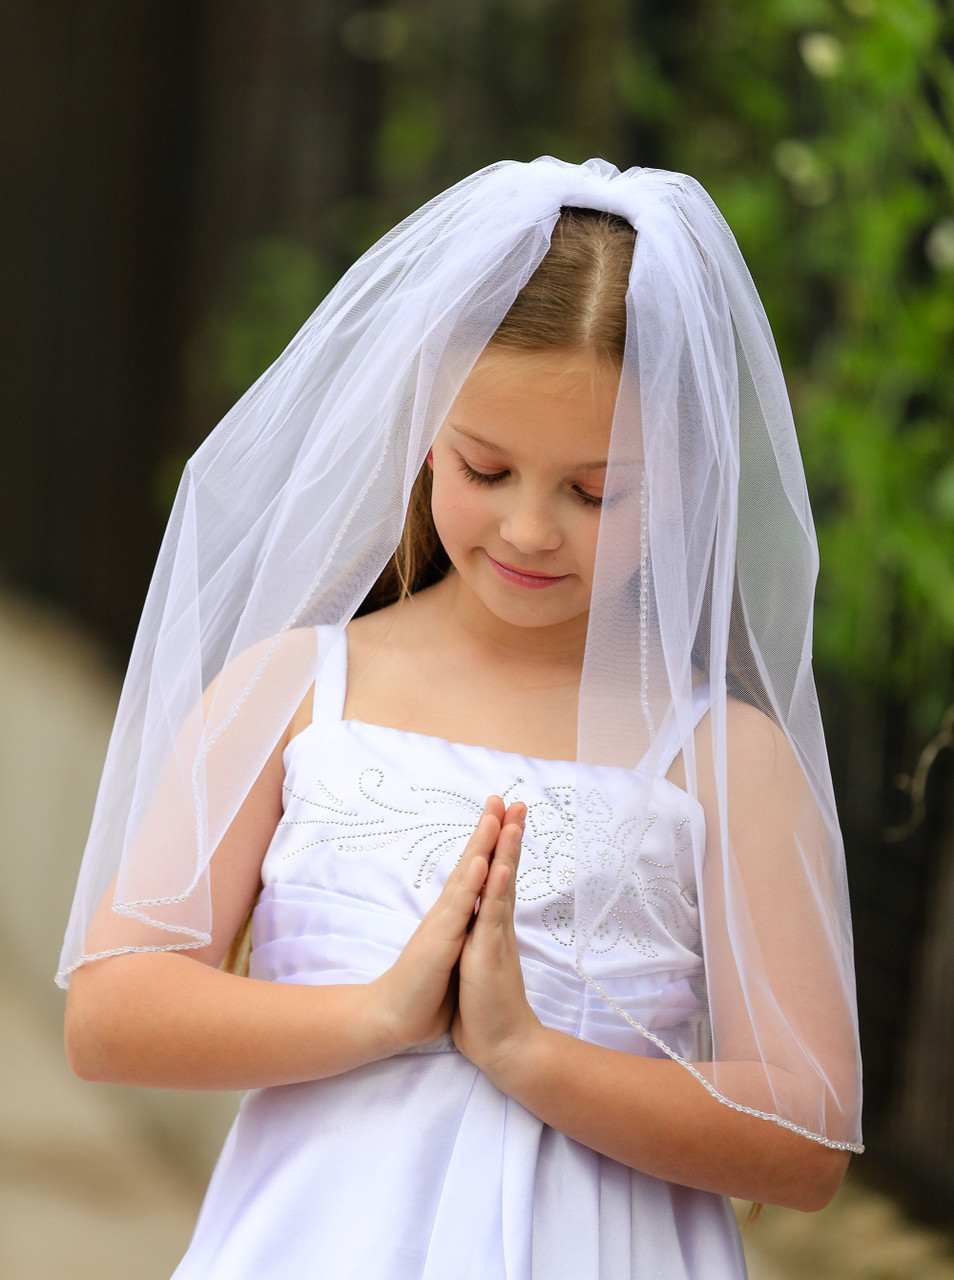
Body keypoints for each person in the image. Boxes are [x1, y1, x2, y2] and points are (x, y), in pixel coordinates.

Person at [59, 157, 863, 1280]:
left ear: (685, 480)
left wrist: (531, 1054)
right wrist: (382, 1012)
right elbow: (113, 1013)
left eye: (597, 491)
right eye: (488, 467)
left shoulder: (729, 758)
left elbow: (808, 1133)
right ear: (427, 432)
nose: (532, 528)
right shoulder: (293, 686)